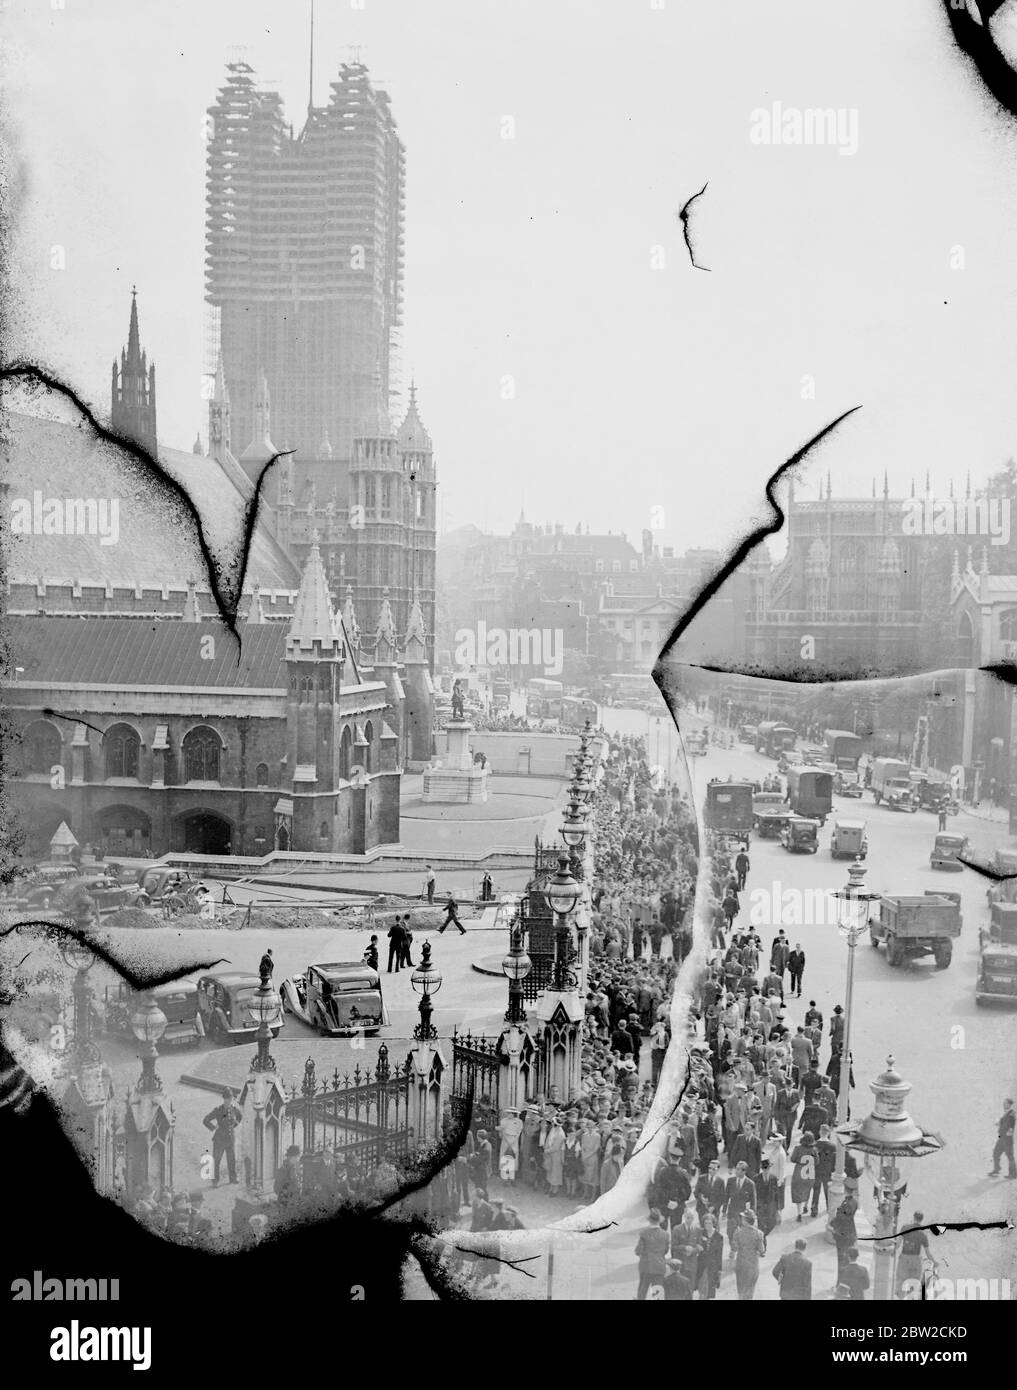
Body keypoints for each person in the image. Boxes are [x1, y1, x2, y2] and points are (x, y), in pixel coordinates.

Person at [203, 1086, 242, 1186]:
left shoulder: (235, 1110)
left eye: (230, 1098)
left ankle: (233, 1178)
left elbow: (239, 1117)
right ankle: (215, 1181)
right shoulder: (218, 1110)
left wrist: (234, 1126)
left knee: (232, 1159)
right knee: (216, 1160)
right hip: (219, 1139)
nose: (229, 1100)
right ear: (223, 1099)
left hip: (231, 1139)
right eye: (227, 1098)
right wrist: (213, 1127)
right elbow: (205, 1120)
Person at [634, 1209, 670, 1300]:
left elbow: (638, 1251)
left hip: (646, 1266)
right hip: (659, 1266)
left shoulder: (644, 1234)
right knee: (658, 1294)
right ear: (659, 1220)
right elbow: (665, 1251)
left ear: (649, 1220)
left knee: (642, 1292)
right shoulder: (665, 1235)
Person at [732, 1209, 765, 1300]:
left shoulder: (738, 1232)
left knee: (741, 1290)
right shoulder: (759, 1233)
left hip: (741, 1263)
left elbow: (734, 1249)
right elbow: (762, 1250)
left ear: (745, 1220)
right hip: (752, 1264)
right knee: (750, 1291)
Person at [895, 1211, 931, 1295]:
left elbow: (898, 1244)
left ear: (913, 1217)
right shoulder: (923, 1233)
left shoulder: (905, 1227)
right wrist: (935, 1262)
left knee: (901, 1281)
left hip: (904, 1259)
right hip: (916, 1260)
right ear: (921, 1220)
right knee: (913, 1285)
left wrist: (892, 1251)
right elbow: (927, 1252)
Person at [830, 1192, 858, 1277]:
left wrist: (838, 1211)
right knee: (845, 1260)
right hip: (849, 1234)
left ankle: (841, 1283)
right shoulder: (853, 1201)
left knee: (842, 1260)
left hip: (844, 1235)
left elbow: (842, 1217)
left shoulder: (848, 1204)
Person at [990, 1097, 1016, 1178]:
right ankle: (997, 1170)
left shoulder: (1012, 1114)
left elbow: (1011, 1126)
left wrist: (1008, 1133)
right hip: (1001, 1138)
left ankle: (1013, 1174)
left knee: (1010, 1157)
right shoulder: (1006, 1113)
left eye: (1006, 1103)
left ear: (1009, 1104)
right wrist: (999, 1123)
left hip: (1007, 1140)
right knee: (995, 1153)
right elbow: (1003, 1123)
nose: (1004, 1105)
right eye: (1003, 1103)